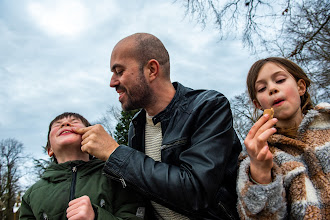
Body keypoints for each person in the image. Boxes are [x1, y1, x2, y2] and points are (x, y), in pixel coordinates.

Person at [74, 33, 242, 219]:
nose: (112, 82)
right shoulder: (136, 126)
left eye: (119, 71)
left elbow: (196, 192)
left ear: (152, 70)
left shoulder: (208, 106)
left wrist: (115, 153)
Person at [236, 57, 330, 219]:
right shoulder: (258, 156)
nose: (272, 89)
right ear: (258, 104)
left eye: (280, 80)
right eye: (262, 88)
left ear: (301, 87)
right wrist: (260, 175)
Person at [19, 112, 146, 220]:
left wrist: (97, 216)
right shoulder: (31, 195)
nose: (65, 124)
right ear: (49, 149)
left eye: (74, 122)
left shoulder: (117, 177)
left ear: (90, 136)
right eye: (58, 125)